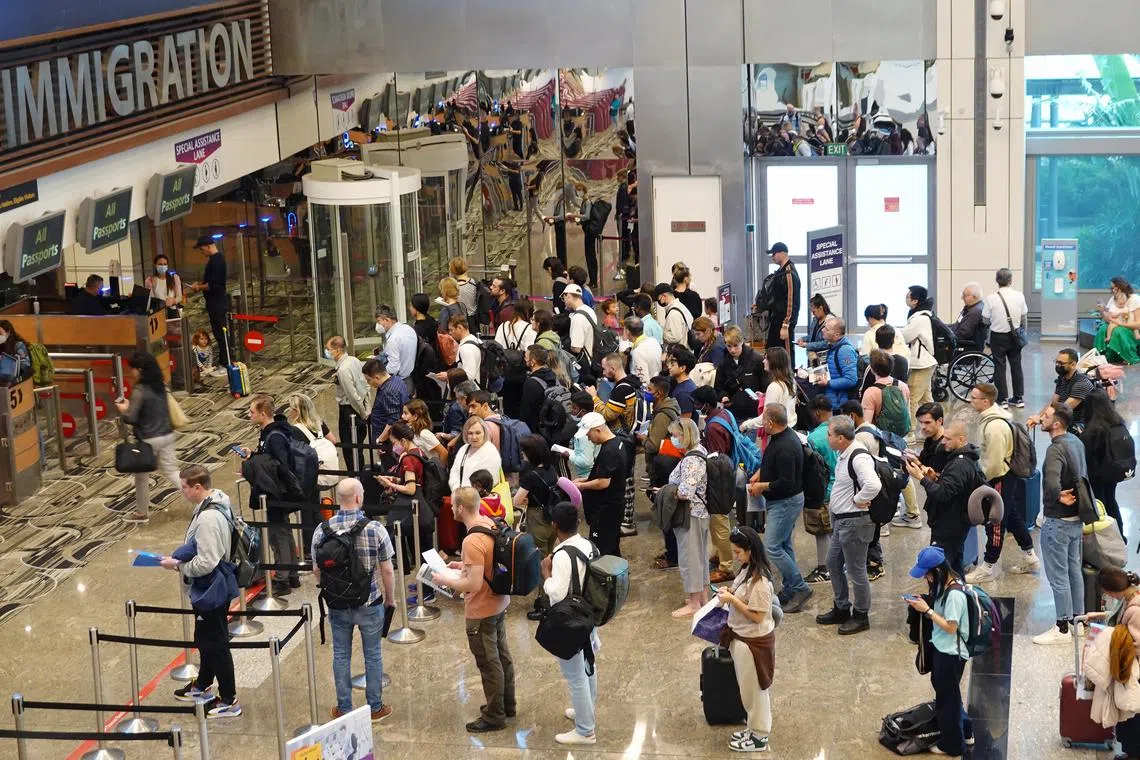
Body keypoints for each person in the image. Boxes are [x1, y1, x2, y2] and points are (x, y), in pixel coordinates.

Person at [311, 478, 395, 722]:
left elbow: (317, 570)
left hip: (337, 603)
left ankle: (344, 708)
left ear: (338, 499)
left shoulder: (322, 530)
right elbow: (387, 570)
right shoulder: (375, 529)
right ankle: (375, 707)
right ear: (359, 498)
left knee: (341, 655)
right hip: (369, 602)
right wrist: (390, 600)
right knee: (373, 654)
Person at [432, 486, 515, 732]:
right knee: (503, 658)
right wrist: (462, 565)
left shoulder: (471, 540)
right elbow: (483, 566)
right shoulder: (489, 524)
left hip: (481, 610)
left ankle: (494, 716)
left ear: (459, 508)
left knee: (489, 665)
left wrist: (444, 580)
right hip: (500, 602)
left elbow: (473, 584)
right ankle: (507, 704)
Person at [166, 465, 241, 717]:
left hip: (210, 588)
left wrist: (179, 566)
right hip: (211, 586)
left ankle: (229, 699)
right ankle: (203, 683)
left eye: (184, 487)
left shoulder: (208, 518)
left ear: (198, 487)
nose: (182, 491)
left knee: (216, 642)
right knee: (206, 638)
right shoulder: (217, 501)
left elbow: (207, 560)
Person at [904, 546, 976, 756]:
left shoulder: (955, 595)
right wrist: (925, 602)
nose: (925, 577)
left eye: (927, 573)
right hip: (942, 648)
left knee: (947, 701)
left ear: (937, 571)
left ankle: (952, 745)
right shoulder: (945, 586)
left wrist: (926, 610)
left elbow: (952, 627)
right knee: (950, 695)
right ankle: (966, 731)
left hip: (950, 654)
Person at [967, 383, 1040, 584]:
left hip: (999, 477)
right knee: (1012, 514)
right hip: (1004, 476)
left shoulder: (994, 426)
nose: (969, 400)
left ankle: (989, 566)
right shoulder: (993, 419)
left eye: (974, 397)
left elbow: (995, 462)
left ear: (985, 401)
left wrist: (980, 480)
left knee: (996, 521)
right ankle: (1030, 555)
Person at [541, 502, 601, 745]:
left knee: (575, 675)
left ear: (554, 525)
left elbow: (557, 593)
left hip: (571, 621)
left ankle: (585, 730)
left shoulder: (563, 555)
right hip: (589, 614)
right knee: (589, 663)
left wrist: (546, 573)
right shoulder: (588, 544)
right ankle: (586, 709)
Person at [815, 414, 880, 635]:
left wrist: (859, 500)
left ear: (841, 438)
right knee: (833, 563)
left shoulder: (858, 457)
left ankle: (861, 615)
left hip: (854, 522)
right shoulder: (845, 454)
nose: (827, 437)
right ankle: (842, 607)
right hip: (842, 522)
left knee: (856, 570)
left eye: (830, 434)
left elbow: (873, 484)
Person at [717, 525, 776, 753]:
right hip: (741, 638)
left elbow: (758, 616)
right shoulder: (747, 570)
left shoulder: (760, 582)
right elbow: (738, 591)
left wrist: (732, 600)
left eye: (738, 552)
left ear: (750, 550)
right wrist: (728, 591)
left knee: (755, 691)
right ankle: (753, 728)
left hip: (753, 643)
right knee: (747, 689)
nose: (735, 555)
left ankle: (760, 735)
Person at [238, 394, 306, 594]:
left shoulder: (274, 437)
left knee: (278, 534)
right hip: (277, 491)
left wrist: (255, 466)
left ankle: (283, 578)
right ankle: (291, 575)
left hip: (276, 492)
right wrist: (254, 455)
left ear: (263, 413)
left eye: (252, 412)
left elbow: (280, 465)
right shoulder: (271, 433)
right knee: (283, 531)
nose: (249, 415)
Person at [746, 405, 811, 612]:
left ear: (771, 423)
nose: (761, 423)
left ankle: (800, 587)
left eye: (763, 419)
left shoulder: (785, 447)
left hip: (785, 502)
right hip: (782, 502)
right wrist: (760, 472)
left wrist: (761, 486)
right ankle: (791, 587)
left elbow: (786, 481)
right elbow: (772, 465)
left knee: (772, 547)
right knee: (784, 545)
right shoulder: (782, 437)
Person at [1035, 403, 1087, 645]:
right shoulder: (1076, 442)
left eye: (1045, 416)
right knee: (1073, 570)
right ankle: (1079, 621)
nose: (1041, 418)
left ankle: (1062, 627)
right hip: (1077, 519)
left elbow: (1052, 480)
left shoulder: (1055, 450)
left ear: (1056, 423)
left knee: (1058, 576)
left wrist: (1057, 495)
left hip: (1057, 521)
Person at [905, 420, 984, 575]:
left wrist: (921, 478)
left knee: (942, 571)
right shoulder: (962, 460)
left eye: (948, 439)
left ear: (961, 439)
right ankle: (959, 593)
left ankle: (948, 597)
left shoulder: (959, 465)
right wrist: (935, 478)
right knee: (955, 566)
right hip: (954, 523)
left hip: (949, 525)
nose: (943, 442)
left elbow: (943, 494)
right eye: (944, 438)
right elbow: (951, 488)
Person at [115, 352, 182, 523]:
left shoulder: (140, 390)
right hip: (167, 434)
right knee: (172, 472)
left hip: (149, 439)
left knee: (142, 478)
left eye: (134, 369)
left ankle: (141, 512)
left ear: (140, 370)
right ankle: (203, 498)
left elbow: (131, 417)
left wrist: (124, 409)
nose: (132, 372)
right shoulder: (161, 385)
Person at [692, 386, 740, 583]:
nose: (695, 407)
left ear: (706, 404)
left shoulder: (713, 428)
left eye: (697, 404)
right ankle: (719, 553)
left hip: (719, 480)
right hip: (727, 474)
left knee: (720, 523)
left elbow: (716, 460)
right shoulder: (725, 413)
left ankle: (726, 566)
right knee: (717, 521)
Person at [1090, 568, 1140, 757]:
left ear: (1111, 591)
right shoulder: (1133, 594)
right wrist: (1098, 615)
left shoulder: (1136, 610)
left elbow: (1136, 644)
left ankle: (1134, 753)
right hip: (1133, 669)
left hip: (1135, 671)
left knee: (1132, 714)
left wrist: (1112, 640)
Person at [667, 418, 712, 618]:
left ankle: (695, 603)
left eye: (675, 436)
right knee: (700, 558)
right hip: (700, 513)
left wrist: (667, 492)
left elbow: (686, 491)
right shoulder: (700, 451)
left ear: (685, 436)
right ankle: (703, 597)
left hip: (691, 514)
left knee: (690, 559)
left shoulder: (691, 460)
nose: (672, 439)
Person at [573, 411, 632, 557]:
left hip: (606, 510)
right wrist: (585, 480)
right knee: (612, 546)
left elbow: (603, 482)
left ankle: (607, 578)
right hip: (613, 506)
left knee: (602, 550)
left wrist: (582, 486)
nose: (588, 437)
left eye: (588, 434)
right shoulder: (617, 442)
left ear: (598, 430)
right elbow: (606, 475)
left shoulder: (609, 451)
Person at [1082, 389, 1129, 537]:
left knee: (1100, 504)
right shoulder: (1117, 422)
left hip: (1097, 474)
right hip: (1114, 470)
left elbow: (1087, 454)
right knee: (1111, 501)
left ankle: (1105, 539)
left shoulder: (1092, 430)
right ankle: (1120, 535)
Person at [981, 268, 1028, 407]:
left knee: (999, 367)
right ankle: (1018, 398)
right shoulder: (1019, 296)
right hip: (1015, 336)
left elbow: (985, 319)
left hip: (998, 337)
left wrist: (994, 321)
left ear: (997, 280)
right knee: (1016, 365)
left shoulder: (991, 298)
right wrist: (1022, 332)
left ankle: (1002, 399)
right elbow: (1024, 317)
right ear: (1011, 280)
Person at [804, 396, 837, 583]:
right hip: (842, 488)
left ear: (816, 412)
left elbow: (812, 469)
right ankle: (838, 564)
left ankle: (824, 568)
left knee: (821, 530)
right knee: (835, 530)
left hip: (823, 490)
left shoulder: (814, 438)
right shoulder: (842, 430)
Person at [327, 336, 370, 472]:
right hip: (360, 405)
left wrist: (363, 412)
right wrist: (367, 407)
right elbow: (365, 386)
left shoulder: (343, 369)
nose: (327, 352)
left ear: (337, 350)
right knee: (357, 447)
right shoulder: (355, 361)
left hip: (350, 411)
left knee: (350, 449)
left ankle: (357, 478)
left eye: (329, 349)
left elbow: (352, 396)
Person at [1028, 348, 1095, 431]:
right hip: (1069, 420)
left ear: (1073, 365)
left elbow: (1063, 410)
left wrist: (1041, 420)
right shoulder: (1062, 378)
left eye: (1061, 363)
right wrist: (1038, 416)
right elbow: (1054, 403)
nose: (1057, 365)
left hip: (1082, 425)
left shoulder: (1082, 383)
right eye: (1056, 362)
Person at [187, 236, 230, 366]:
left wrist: (198, 287)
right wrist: (200, 284)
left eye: (202, 249)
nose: (202, 252)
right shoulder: (213, 260)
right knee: (218, 333)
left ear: (208, 246)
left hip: (217, 302)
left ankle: (226, 362)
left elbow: (214, 284)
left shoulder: (217, 261)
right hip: (213, 302)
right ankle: (224, 361)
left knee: (221, 333)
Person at [716, 326, 768, 424]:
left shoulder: (756, 360)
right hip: (732, 413)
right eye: (729, 346)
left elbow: (765, 386)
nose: (732, 350)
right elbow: (718, 387)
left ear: (742, 342)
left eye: (736, 346)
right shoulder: (723, 363)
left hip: (753, 415)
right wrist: (723, 396)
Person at [901, 285, 937, 421]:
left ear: (915, 300)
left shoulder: (919, 318)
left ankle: (910, 432)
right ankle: (934, 428)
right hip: (926, 361)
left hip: (922, 363)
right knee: (926, 399)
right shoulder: (923, 314)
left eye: (908, 296)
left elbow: (905, 336)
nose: (906, 298)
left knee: (912, 398)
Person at [758, 242, 800, 354]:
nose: (772, 257)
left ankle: (789, 372)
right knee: (773, 353)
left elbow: (791, 302)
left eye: (774, 254)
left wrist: (786, 325)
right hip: (776, 320)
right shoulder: (781, 273)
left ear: (782, 253)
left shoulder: (789, 274)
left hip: (783, 322)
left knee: (785, 354)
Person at [812, 317, 859, 411]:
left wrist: (828, 383)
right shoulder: (833, 346)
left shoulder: (845, 351)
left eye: (827, 329)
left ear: (836, 335)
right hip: (832, 400)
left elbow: (851, 379)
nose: (823, 330)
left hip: (840, 404)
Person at [448, 416, 503, 492]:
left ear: (484, 433)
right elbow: (454, 473)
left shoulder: (490, 451)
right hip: (460, 496)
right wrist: (456, 490)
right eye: (470, 433)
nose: (474, 437)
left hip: (479, 500)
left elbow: (487, 482)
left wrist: (466, 495)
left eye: (478, 433)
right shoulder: (464, 449)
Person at [363, 355, 409, 444]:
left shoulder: (388, 392)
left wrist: (380, 440)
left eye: (369, 380)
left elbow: (393, 421)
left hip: (388, 440)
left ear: (377, 377)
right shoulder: (396, 379)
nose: (368, 383)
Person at [860, 349, 910, 432]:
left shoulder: (871, 392)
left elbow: (867, 425)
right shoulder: (903, 386)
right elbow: (907, 414)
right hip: (900, 437)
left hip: (881, 437)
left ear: (872, 369)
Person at [1094, 276, 1140, 365]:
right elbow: (1108, 319)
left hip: (1133, 327)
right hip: (1117, 322)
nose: (1113, 290)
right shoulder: (1113, 299)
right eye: (1111, 288)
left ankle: (1129, 356)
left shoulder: (1135, 299)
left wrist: (1120, 323)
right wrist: (1103, 310)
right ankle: (1103, 356)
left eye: (1114, 288)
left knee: (1118, 331)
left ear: (1121, 287)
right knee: (1103, 328)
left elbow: (1138, 324)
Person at [858, 325, 910, 398]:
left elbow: (864, 391)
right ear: (893, 340)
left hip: (877, 405)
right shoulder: (903, 361)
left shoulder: (873, 365)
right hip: (897, 404)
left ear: (876, 340)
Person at [374, 305, 417, 382]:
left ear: (387, 320)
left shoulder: (393, 339)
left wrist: (378, 373)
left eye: (378, 321)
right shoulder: (408, 329)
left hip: (400, 380)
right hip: (412, 377)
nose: (378, 325)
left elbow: (393, 368)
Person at [761, 346, 798, 428]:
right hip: (792, 427)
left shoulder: (774, 386)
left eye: (766, 359)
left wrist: (746, 424)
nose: (763, 361)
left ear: (774, 362)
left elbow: (766, 417)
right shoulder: (791, 381)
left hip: (779, 430)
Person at [654, 283, 693, 348]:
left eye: (659, 299)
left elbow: (675, 337)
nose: (659, 302)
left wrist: (661, 332)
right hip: (685, 349)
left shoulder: (673, 313)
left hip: (679, 353)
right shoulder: (681, 307)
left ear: (664, 296)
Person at [625, 316, 662, 384]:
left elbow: (643, 381)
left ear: (628, 332)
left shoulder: (638, 352)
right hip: (656, 383)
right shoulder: (654, 341)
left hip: (647, 389)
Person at [951, 283, 987, 349]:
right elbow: (959, 325)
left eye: (964, 295)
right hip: (963, 340)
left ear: (973, 297)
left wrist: (948, 335)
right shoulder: (970, 308)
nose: (962, 298)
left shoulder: (975, 312)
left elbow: (963, 333)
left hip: (966, 345)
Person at [667, 347, 698, 420]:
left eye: (672, 364)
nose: (669, 367)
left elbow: (685, 423)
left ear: (682, 368)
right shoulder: (677, 383)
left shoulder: (684, 393)